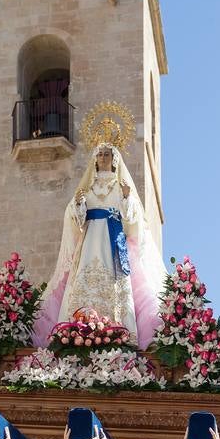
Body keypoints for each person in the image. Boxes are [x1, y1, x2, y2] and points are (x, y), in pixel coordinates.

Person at [32, 143, 165, 349]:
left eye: (107, 154)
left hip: (112, 241)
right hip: (89, 241)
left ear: (115, 160)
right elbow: (75, 218)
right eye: (100, 154)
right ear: (95, 159)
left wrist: (128, 197)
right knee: (82, 280)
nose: (103, 157)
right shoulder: (87, 188)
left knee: (116, 283)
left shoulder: (121, 186)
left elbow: (133, 219)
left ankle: (118, 328)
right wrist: (78, 204)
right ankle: (75, 328)